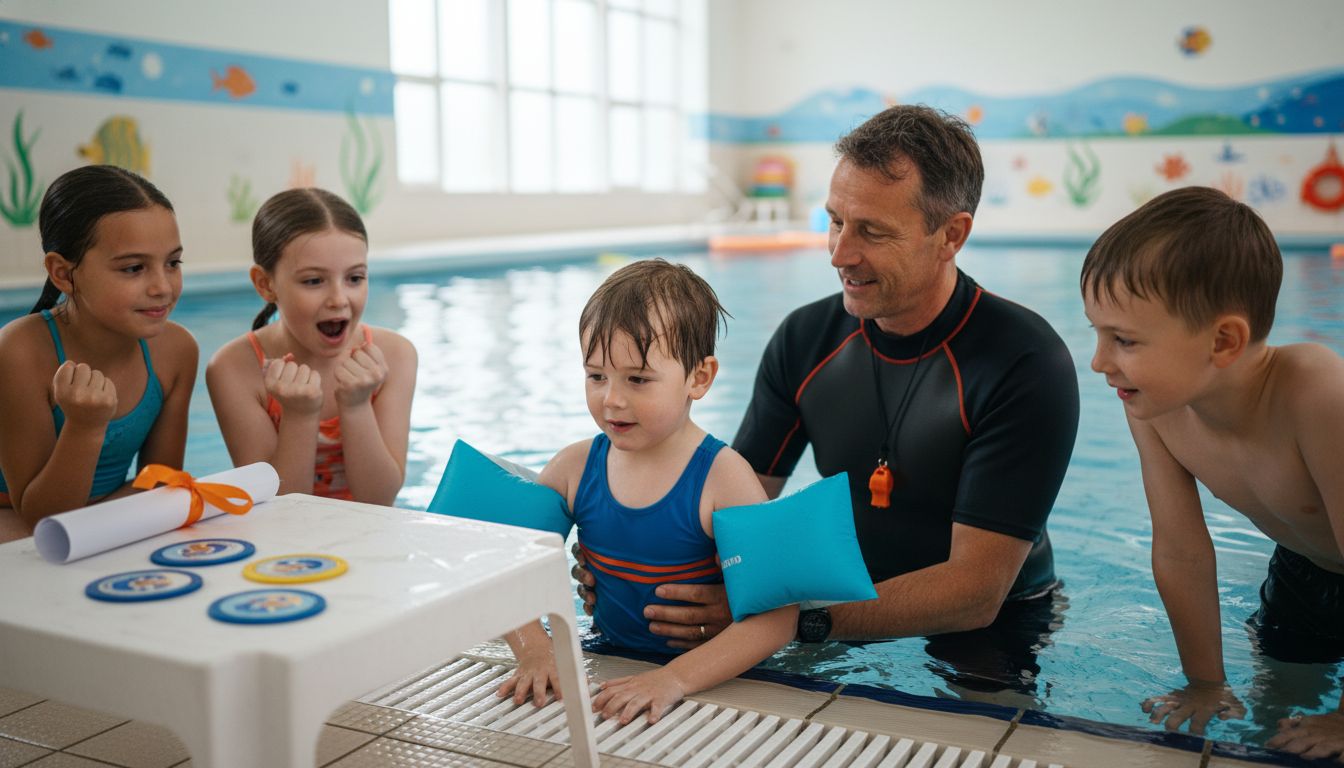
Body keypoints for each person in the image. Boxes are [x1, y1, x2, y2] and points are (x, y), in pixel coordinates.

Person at [574, 105, 1080, 696]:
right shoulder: (806, 340)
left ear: (951, 235)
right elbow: (734, 515)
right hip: (835, 598)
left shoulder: (1023, 363)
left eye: (872, 231)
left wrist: (800, 619)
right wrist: (631, 568)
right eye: (835, 221)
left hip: (993, 624)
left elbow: (974, 593)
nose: (839, 253)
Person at [1082, 186, 1344, 760]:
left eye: (1123, 339)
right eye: (1098, 333)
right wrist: (1205, 683)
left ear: (1224, 340)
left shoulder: (1316, 395)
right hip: (1304, 572)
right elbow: (1180, 549)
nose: (1099, 361)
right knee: (1278, 710)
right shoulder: (1154, 406)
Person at [498, 259, 797, 724]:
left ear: (699, 378)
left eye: (637, 379)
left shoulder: (723, 478)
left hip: (713, 678)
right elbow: (504, 565)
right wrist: (535, 649)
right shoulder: (575, 468)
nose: (611, 399)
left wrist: (674, 678)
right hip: (613, 657)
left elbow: (776, 619)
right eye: (596, 376)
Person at [0, 165, 198, 541]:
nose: (162, 286)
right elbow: (41, 518)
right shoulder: (21, 352)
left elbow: (163, 483)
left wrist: (107, 515)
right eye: (134, 268)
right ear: (62, 273)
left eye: (173, 263)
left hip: (103, 514)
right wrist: (85, 426)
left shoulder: (176, 351)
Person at [206, 188, 416, 504]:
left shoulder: (396, 356)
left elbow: (379, 500)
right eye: (314, 281)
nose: (339, 299)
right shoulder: (235, 368)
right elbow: (277, 506)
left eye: (355, 278)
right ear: (266, 284)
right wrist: (299, 415)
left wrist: (357, 405)